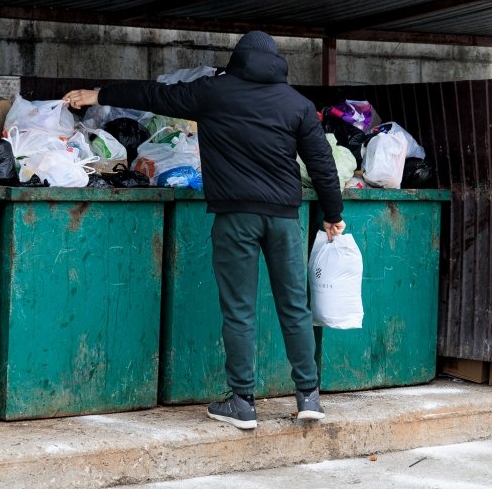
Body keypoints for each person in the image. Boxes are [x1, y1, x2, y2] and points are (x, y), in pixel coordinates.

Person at [63, 30, 346, 430]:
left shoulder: (213, 92)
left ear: (238, 59)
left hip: (235, 218)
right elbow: (321, 163)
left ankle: (243, 402)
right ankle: (309, 396)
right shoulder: (296, 104)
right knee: (294, 306)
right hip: (284, 218)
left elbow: (154, 96)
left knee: (240, 310)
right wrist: (332, 213)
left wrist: (100, 93)